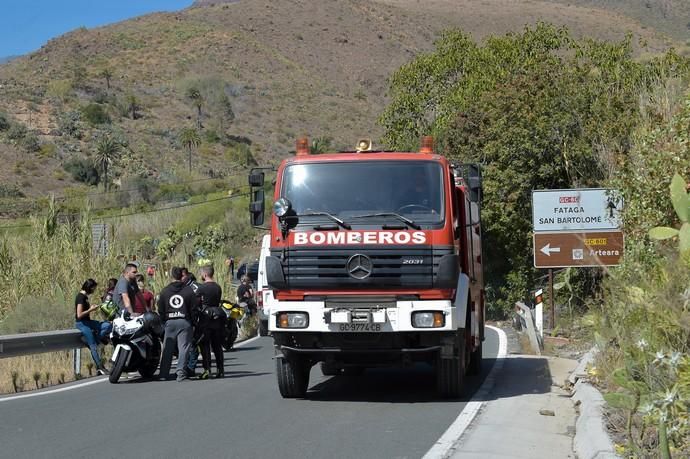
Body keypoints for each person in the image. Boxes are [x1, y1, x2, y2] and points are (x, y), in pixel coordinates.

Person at [158, 266, 198, 382]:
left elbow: (160, 308)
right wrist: (193, 322)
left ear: (171, 276)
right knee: (184, 348)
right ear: (182, 276)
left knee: (167, 349)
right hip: (185, 322)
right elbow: (193, 308)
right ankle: (180, 373)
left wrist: (164, 321)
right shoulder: (188, 290)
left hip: (170, 322)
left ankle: (163, 374)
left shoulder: (165, 291)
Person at [75, 279, 112, 375]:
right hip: (82, 323)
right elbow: (79, 315)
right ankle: (100, 367)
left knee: (108, 325)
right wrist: (91, 310)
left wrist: (91, 308)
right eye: (93, 289)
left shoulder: (85, 297)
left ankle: (95, 339)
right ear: (89, 287)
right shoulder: (80, 297)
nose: (94, 291)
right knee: (93, 346)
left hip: (88, 322)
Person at [196, 265, 225, 379]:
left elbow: (197, 303)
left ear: (205, 274)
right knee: (217, 345)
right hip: (218, 316)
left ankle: (207, 370)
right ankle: (220, 370)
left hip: (206, 318)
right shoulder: (217, 287)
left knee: (205, 345)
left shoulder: (201, 288)